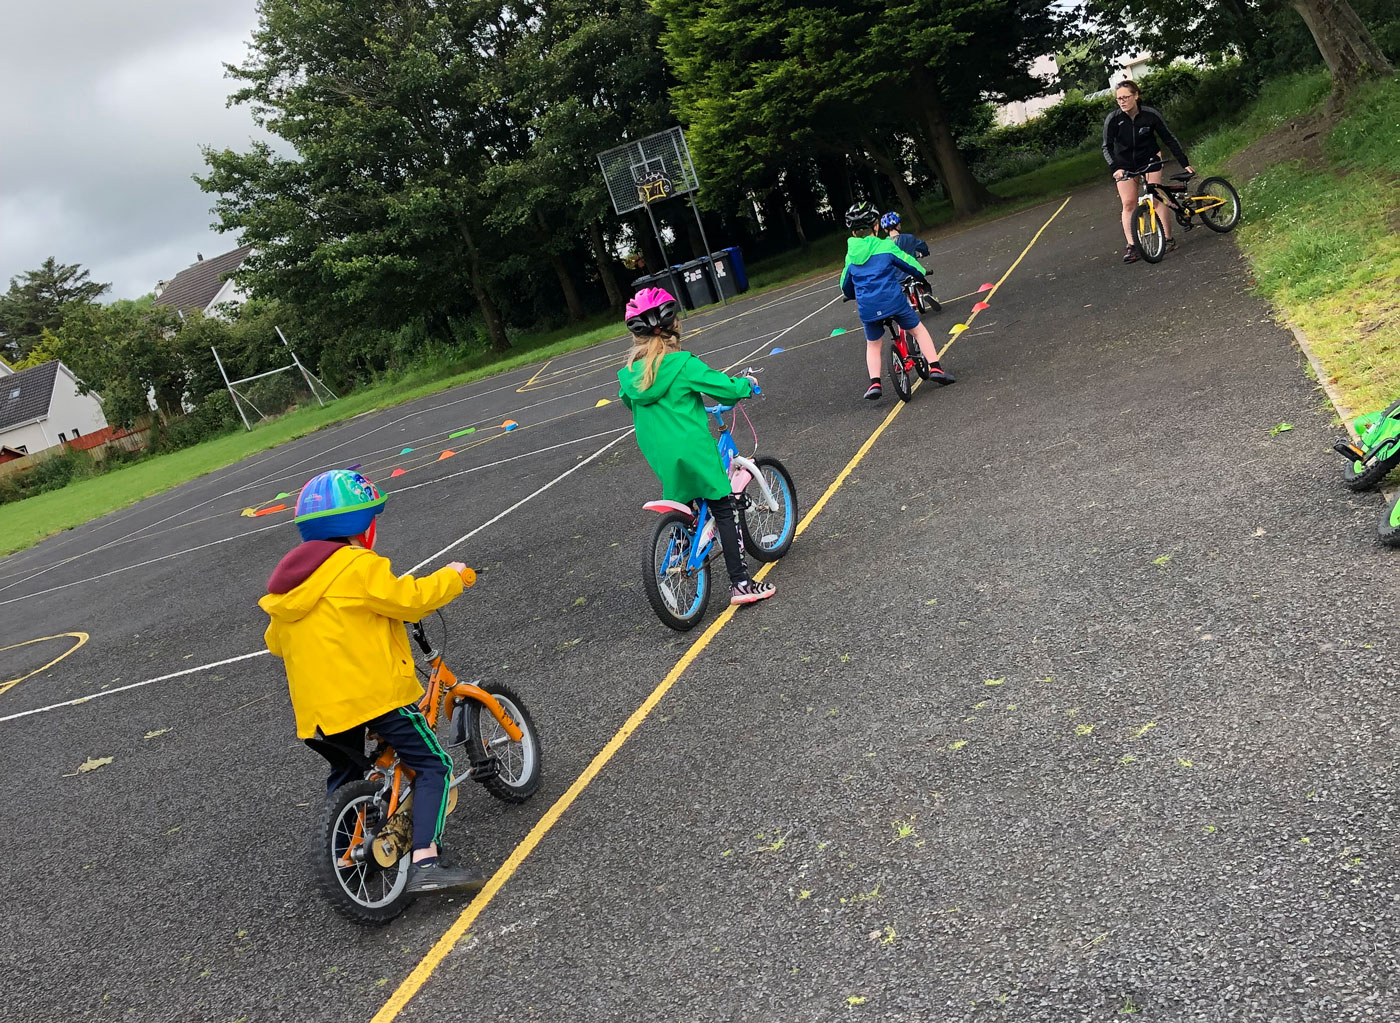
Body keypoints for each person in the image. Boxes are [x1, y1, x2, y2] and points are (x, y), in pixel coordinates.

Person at [259, 468, 485, 896]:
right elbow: (408, 599)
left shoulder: (286, 590)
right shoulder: (358, 566)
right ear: (363, 527)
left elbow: (276, 643)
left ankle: (344, 851)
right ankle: (426, 861)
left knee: (347, 772)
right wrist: (455, 576)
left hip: (319, 711)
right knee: (433, 765)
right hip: (375, 696)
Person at [618, 287, 775, 606]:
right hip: (693, 450)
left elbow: (629, 403)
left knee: (686, 502)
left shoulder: (630, 376)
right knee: (724, 506)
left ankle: (679, 550)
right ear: (673, 325)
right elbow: (725, 391)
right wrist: (746, 385)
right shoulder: (682, 364)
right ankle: (742, 584)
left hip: (661, 455)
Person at [840, 201, 953, 400]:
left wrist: (851, 293)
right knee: (918, 330)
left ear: (853, 232)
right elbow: (908, 263)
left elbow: (845, 285)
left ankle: (875, 383)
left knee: (873, 344)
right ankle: (935, 368)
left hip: (868, 307)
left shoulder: (851, 256)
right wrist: (921, 273)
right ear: (876, 226)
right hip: (893, 301)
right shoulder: (885, 246)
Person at [1102, 79, 1194, 263]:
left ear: (1136, 96)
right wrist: (1116, 168)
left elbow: (1169, 138)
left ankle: (1168, 239)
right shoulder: (1113, 119)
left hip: (1150, 159)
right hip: (1125, 164)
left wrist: (1184, 162)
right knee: (1128, 204)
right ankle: (1133, 246)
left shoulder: (1150, 115)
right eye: (1119, 99)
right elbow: (1107, 147)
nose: (1122, 101)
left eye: (1126, 97)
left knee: (1155, 197)